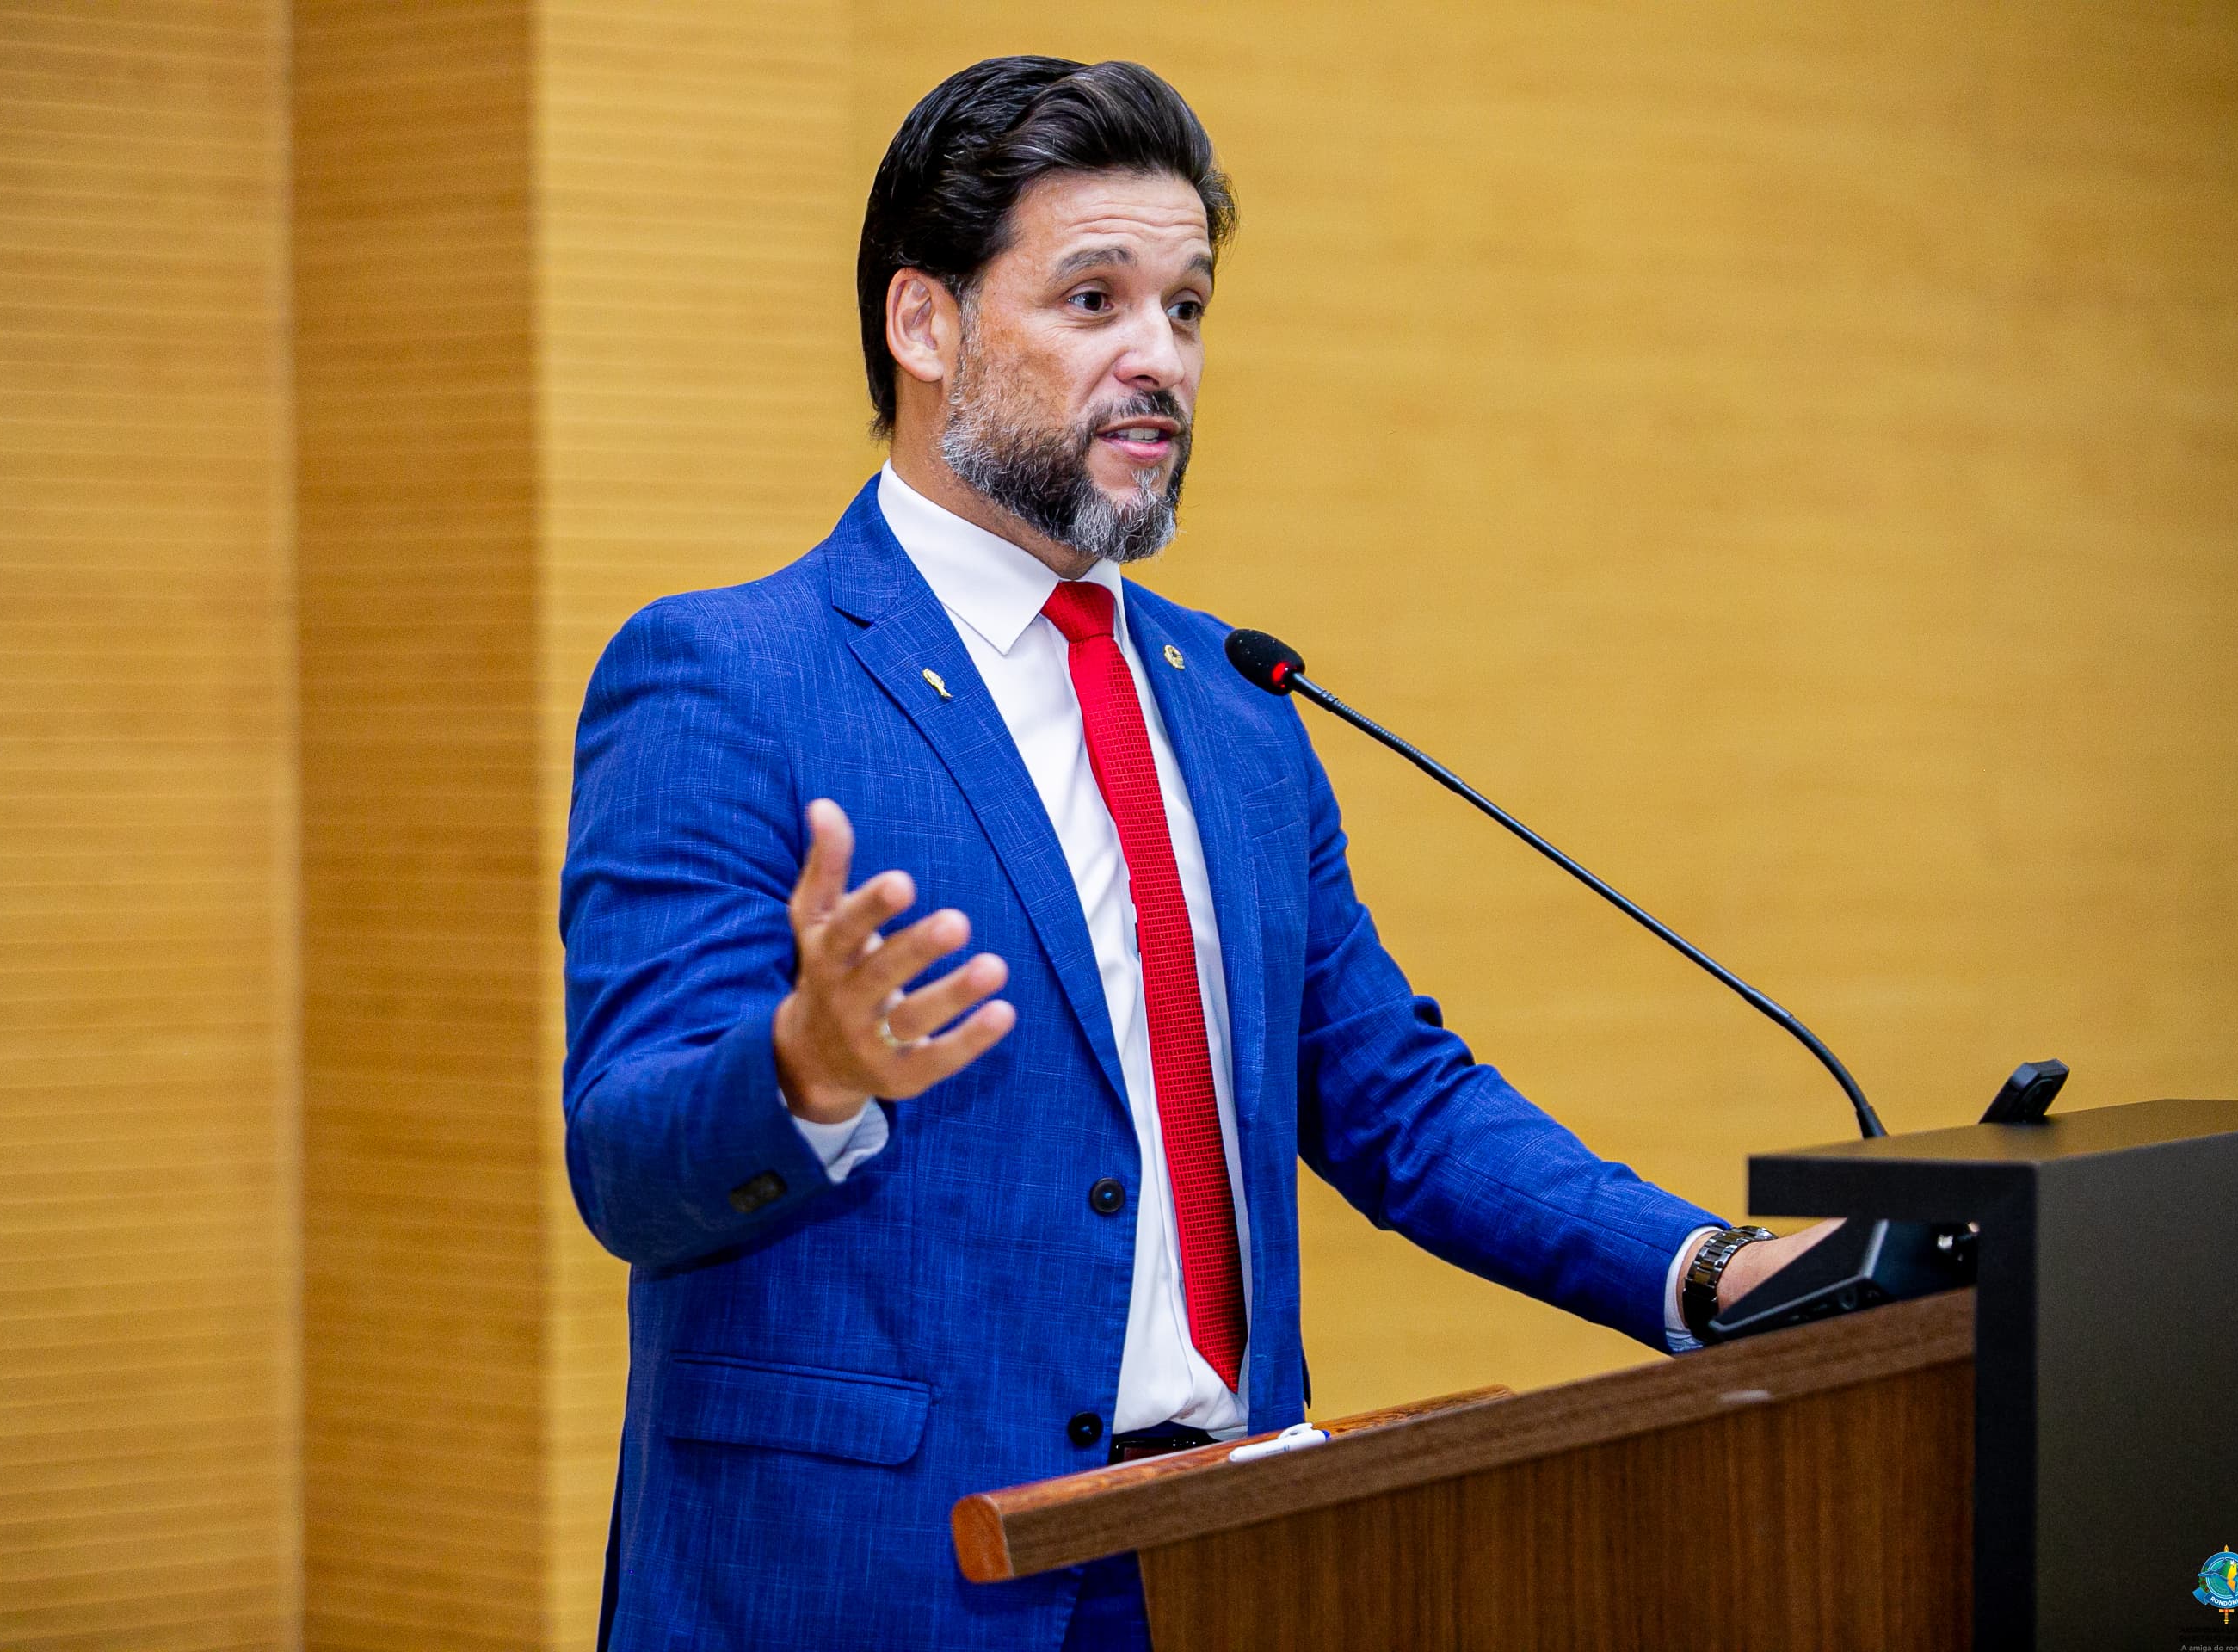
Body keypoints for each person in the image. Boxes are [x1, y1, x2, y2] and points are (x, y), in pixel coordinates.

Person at [561, 54, 1833, 1652]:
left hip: (1221, 1558)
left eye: (1186, 309)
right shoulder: (730, 676)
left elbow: (1396, 1099)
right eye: (1093, 300)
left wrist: (1705, 1268)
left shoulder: (1234, 707)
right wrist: (802, 1070)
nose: (1157, 358)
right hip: (870, 1577)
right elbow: (623, 1163)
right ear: (925, 325)